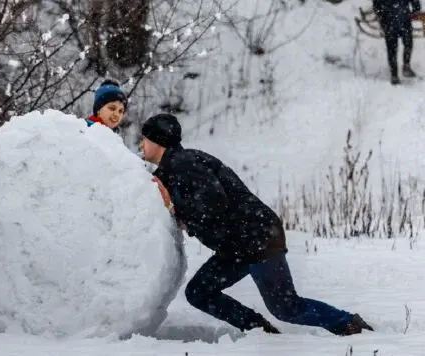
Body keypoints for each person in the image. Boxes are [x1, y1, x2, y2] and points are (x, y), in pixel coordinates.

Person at [139, 113, 375, 336]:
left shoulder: (185, 162)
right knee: (199, 292)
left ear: (158, 141)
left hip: (257, 238)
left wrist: (176, 209)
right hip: (236, 247)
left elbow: (213, 202)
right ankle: (259, 331)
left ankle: (350, 325)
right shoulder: (171, 170)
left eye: (145, 138)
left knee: (286, 307)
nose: (142, 144)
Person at [372, 0, 421, 84]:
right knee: (394, 48)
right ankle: (396, 73)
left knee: (405, 44)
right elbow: (376, 5)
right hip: (393, 20)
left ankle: (404, 68)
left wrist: (416, 9)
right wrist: (381, 18)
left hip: (400, 20)